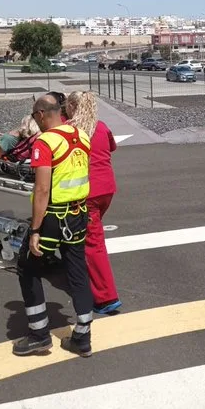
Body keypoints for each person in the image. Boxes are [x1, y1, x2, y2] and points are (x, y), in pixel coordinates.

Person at [13, 93, 94, 357]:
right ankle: (82, 337)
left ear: (40, 115)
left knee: (28, 268)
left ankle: (39, 334)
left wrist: (35, 229)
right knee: (77, 272)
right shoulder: (81, 136)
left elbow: (42, 189)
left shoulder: (45, 142)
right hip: (78, 214)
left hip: (54, 218)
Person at [65, 91, 122, 315]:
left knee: (93, 243)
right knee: (88, 235)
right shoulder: (101, 126)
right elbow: (112, 147)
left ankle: (106, 298)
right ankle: (86, 277)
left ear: (71, 106)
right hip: (107, 189)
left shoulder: (70, 129)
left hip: (86, 193)